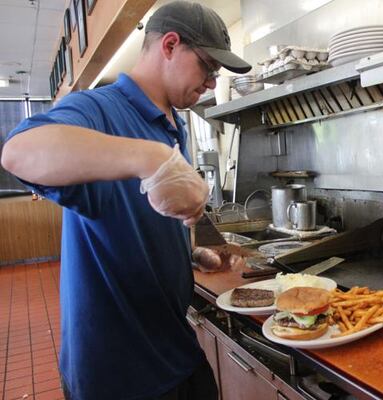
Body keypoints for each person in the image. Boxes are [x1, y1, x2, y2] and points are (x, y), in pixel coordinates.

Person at [1, 1, 251, 399]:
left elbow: (139, 217)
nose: (210, 83)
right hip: (117, 373)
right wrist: (148, 156)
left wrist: (191, 253)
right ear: (170, 45)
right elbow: (19, 152)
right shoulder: (99, 108)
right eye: (208, 68)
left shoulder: (171, 124)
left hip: (173, 349)